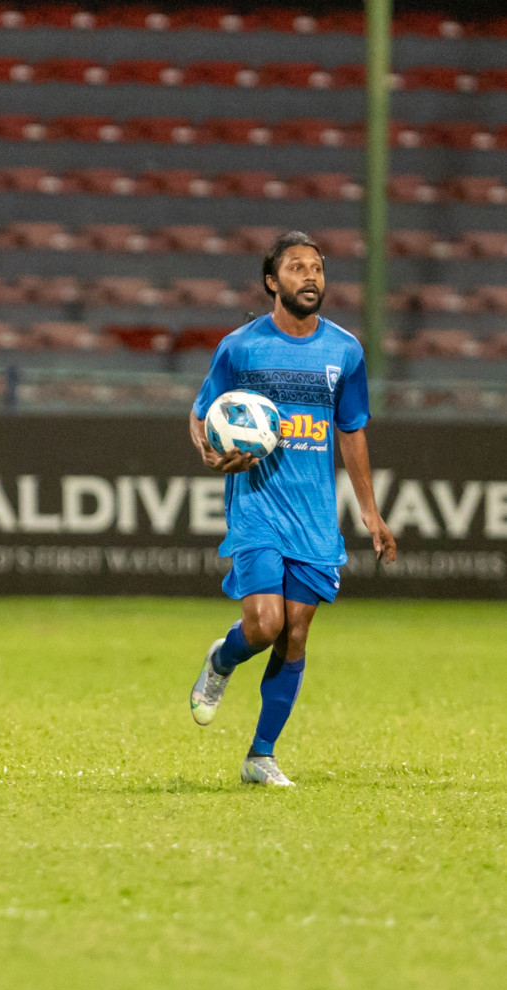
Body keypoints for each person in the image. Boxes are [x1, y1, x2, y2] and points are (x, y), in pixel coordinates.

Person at [188, 230, 397, 786]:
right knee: (263, 624)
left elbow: (351, 432)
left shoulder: (345, 351)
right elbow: (203, 410)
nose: (310, 276)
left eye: (318, 268)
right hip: (257, 504)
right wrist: (209, 452)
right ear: (271, 281)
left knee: (295, 635)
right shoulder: (241, 347)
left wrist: (370, 513)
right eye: (297, 267)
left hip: (314, 517)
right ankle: (223, 660)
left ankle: (261, 756)